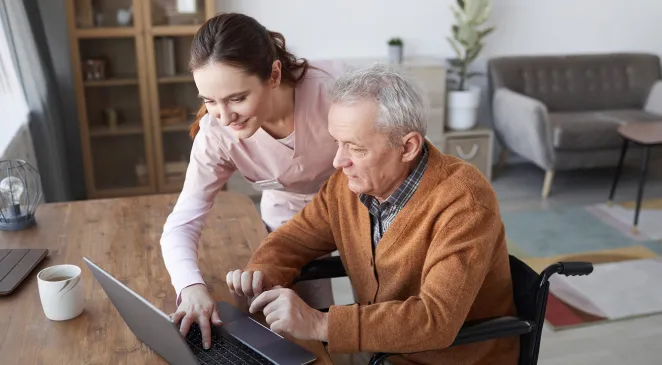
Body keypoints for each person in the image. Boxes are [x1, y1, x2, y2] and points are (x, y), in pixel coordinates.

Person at [226, 64, 519, 365]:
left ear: (407, 147)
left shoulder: (464, 201)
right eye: (337, 143)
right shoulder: (347, 185)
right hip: (379, 350)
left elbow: (436, 319)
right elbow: (296, 238)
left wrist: (319, 324)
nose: (339, 160)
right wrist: (263, 270)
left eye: (355, 148)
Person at [161, 12, 346, 350]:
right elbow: (182, 222)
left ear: (274, 74)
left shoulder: (334, 91)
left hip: (356, 207)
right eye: (209, 101)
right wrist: (190, 287)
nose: (225, 116)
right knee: (299, 329)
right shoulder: (217, 134)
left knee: (369, 311)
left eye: (237, 98)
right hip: (288, 222)